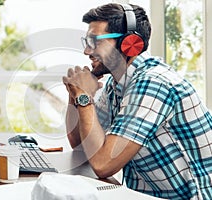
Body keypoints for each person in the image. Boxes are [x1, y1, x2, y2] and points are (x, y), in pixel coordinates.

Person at [62, 3, 212, 200]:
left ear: (130, 43)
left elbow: (103, 165)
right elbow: (80, 144)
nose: (87, 51)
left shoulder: (153, 83)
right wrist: (75, 94)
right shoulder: (116, 85)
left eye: (95, 41)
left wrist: (84, 97)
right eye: (87, 41)